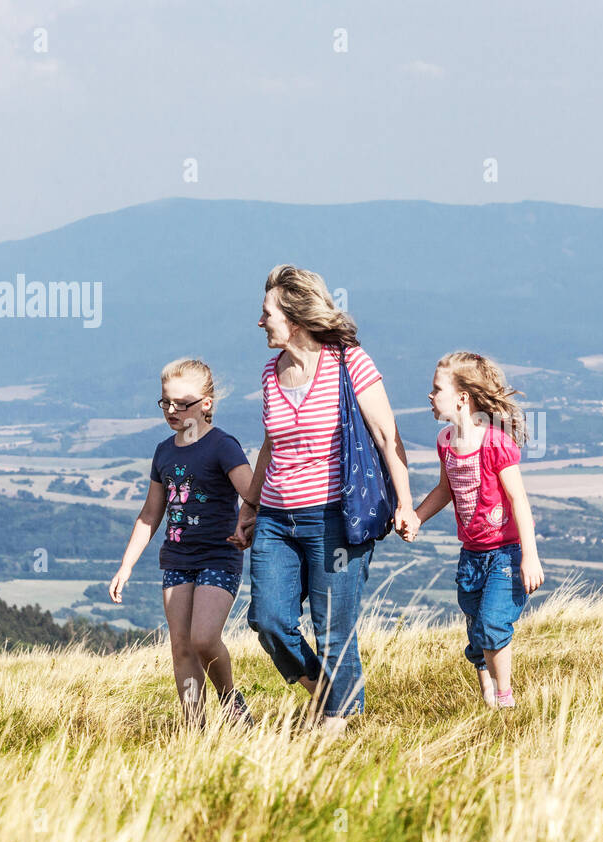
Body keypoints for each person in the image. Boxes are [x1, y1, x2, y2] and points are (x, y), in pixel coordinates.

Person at [230, 265, 418, 735]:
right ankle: (328, 696)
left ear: (293, 316)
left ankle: (333, 731)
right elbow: (271, 444)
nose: (260, 322)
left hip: (334, 518)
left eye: (266, 312)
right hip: (276, 516)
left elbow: (386, 434)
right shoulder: (271, 374)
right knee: (269, 619)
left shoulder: (348, 361)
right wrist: (249, 507)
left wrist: (406, 502)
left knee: (333, 628)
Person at [110, 358, 255, 728]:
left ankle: (231, 702)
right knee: (181, 647)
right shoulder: (164, 452)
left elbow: (252, 494)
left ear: (206, 403)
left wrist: (247, 525)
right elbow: (149, 514)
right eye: (165, 403)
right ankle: (195, 729)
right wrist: (126, 566)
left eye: (182, 403)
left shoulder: (223, 446)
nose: (172, 411)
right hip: (176, 559)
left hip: (219, 555)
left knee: (204, 639)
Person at [405, 352, 544, 709]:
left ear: (462, 398)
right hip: (471, 557)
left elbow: (519, 500)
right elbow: (445, 489)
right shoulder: (445, 443)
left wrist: (529, 557)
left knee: (493, 625)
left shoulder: (496, 443)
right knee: (475, 629)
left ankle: (505, 698)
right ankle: (486, 697)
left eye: (437, 389)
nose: (430, 397)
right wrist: (418, 516)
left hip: (504, 554)